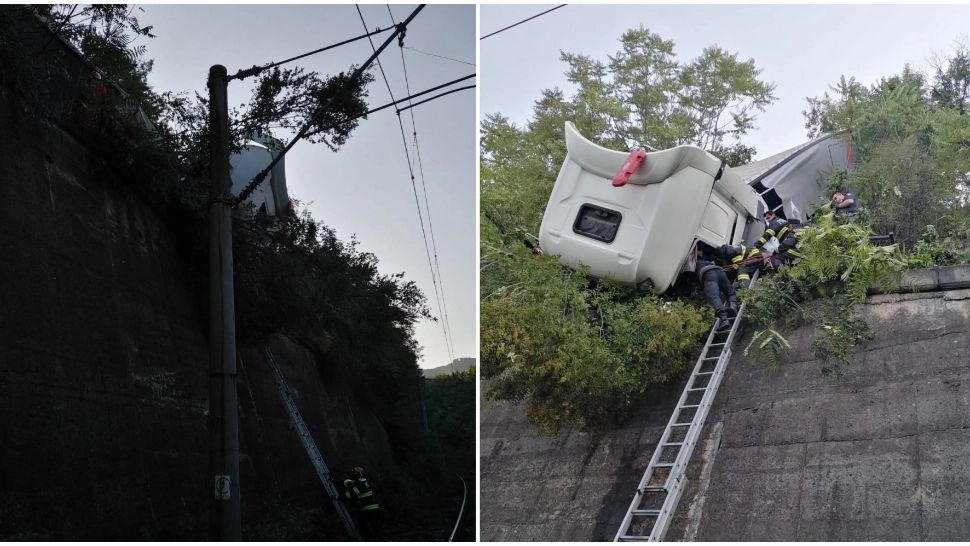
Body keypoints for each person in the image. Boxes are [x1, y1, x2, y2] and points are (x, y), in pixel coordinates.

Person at [695, 247, 737, 324]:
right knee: (730, 292)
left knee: (714, 297)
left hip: (709, 275)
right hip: (720, 271)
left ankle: (724, 319)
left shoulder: (696, 264)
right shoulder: (709, 261)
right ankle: (733, 306)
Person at [343, 466, 380, 539]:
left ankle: (370, 539)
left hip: (367, 508)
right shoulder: (363, 480)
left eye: (354, 472)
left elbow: (351, 494)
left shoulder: (358, 483)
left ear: (357, 473)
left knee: (364, 525)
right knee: (375, 527)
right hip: (374, 507)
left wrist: (339, 497)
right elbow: (348, 483)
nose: (352, 473)